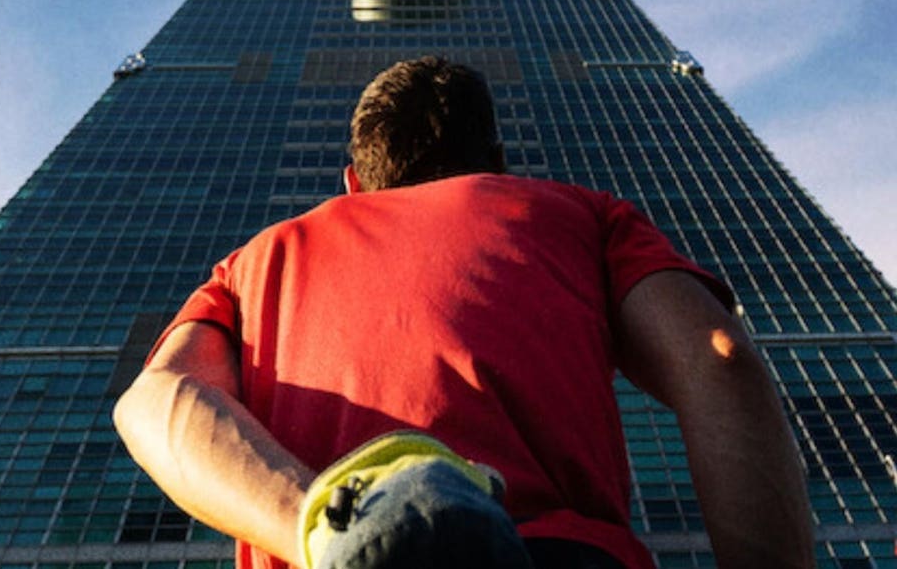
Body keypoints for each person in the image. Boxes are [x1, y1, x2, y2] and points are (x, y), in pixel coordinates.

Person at [113, 56, 815, 568]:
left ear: (353, 184)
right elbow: (719, 358)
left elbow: (157, 399)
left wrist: (330, 525)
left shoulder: (257, 259)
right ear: (497, 165)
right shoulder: (582, 215)